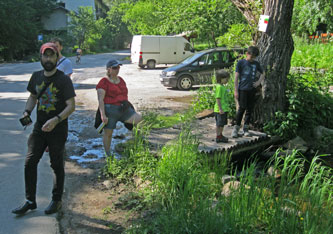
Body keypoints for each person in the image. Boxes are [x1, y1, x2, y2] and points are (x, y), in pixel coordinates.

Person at [12, 43, 76, 215]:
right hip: (40, 129)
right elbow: (33, 97)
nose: (48, 59)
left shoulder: (64, 79)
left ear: (57, 58)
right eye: (45, 56)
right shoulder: (36, 76)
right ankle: (30, 201)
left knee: (56, 164)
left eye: (51, 55)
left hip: (58, 129)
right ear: (41, 57)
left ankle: (56, 200)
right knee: (29, 162)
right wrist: (27, 111)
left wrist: (56, 120)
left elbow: (71, 106)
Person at [96, 59, 142, 157]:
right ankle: (108, 154)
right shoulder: (103, 82)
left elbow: (124, 94)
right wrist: (103, 115)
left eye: (118, 67)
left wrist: (127, 104)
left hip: (123, 109)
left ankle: (137, 144)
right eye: (115, 68)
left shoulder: (121, 80)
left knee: (140, 119)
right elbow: (101, 100)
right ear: (109, 69)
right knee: (108, 133)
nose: (117, 69)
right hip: (110, 110)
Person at [231, 46, 265, 138]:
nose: (252, 59)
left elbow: (263, 73)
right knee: (241, 108)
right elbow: (236, 77)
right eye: (251, 57)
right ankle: (236, 129)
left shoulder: (256, 64)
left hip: (252, 90)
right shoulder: (241, 62)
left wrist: (258, 82)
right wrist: (235, 90)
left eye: (254, 57)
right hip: (242, 89)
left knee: (250, 109)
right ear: (247, 54)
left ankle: (245, 129)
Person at [214, 70, 231, 143]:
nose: (227, 80)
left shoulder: (222, 86)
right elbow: (218, 98)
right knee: (219, 124)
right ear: (220, 78)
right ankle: (218, 136)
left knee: (222, 124)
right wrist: (220, 109)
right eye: (226, 79)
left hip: (224, 108)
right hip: (220, 110)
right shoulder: (219, 87)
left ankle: (220, 135)